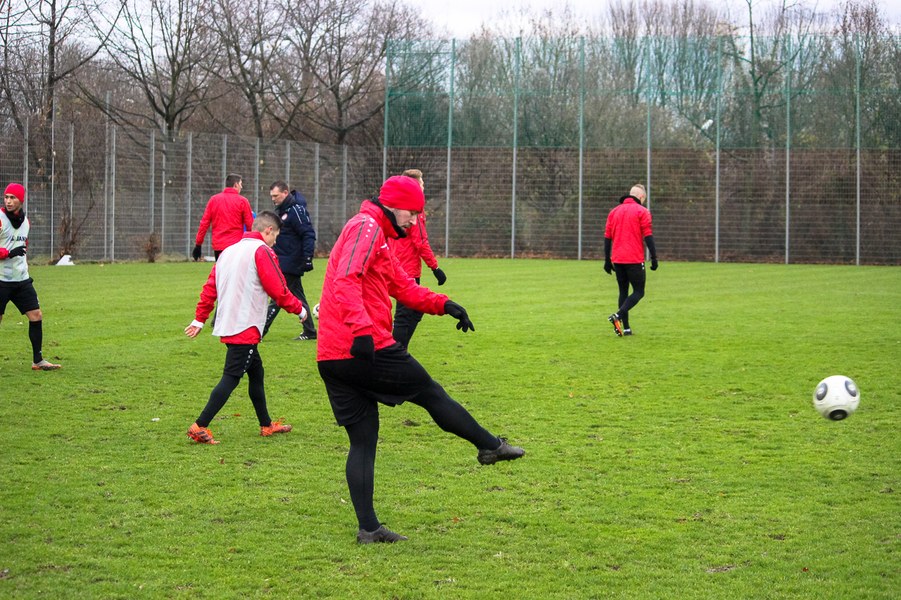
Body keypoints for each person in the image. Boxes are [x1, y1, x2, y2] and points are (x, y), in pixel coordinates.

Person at [317, 175, 524, 544]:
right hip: (364, 346)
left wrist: (444, 304)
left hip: (333, 356)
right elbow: (345, 280)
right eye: (411, 213)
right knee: (430, 392)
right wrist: (361, 330)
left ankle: (369, 529)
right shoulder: (365, 227)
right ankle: (490, 446)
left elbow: (401, 286)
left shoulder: (376, 234)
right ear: (393, 205)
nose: (414, 221)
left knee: (363, 441)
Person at [184, 211, 307, 444]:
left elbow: (210, 287)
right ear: (268, 230)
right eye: (275, 236)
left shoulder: (228, 251)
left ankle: (266, 425)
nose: (275, 242)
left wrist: (200, 319)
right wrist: (299, 309)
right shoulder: (262, 251)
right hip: (246, 325)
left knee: (256, 373)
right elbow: (278, 288)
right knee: (231, 378)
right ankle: (199, 425)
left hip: (230, 323)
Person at [0, 183, 62, 371]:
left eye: (13, 198)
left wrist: (23, 267)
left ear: (21, 200)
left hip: (21, 280)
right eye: (6, 197)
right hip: (1, 280)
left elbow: (23, 248)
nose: (8, 201)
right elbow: (11, 250)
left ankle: (38, 360)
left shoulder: (26, 222)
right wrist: (8, 253)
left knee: (36, 315)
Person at [389, 169, 446, 349]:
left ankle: (399, 349)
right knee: (405, 314)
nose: (423, 186)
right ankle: (395, 352)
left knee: (416, 309)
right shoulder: (414, 209)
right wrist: (435, 268)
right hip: (407, 268)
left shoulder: (397, 206)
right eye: (422, 183)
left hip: (398, 264)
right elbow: (420, 242)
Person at [261, 181, 317, 341]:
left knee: (278, 296)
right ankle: (310, 331)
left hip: (291, 261)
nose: (273, 199)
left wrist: (307, 258)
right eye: (272, 196)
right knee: (297, 295)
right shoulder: (282, 211)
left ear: (285, 193)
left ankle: (260, 331)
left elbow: (308, 234)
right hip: (283, 260)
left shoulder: (297, 211)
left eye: (276, 196)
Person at [603, 183, 658, 336]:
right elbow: (648, 236)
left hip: (618, 259)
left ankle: (626, 328)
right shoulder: (642, 211)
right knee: (639, 291)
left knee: (623, 292)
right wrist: (654, 257)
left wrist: (607, 260)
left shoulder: (614, 212)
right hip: (634, 259)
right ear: (641, 197)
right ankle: (618, 316)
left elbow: (607, 237)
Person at [192, 173, 254, 261]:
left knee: (220, 269)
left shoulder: (214, 200)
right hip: (235, 245)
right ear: (236, 185)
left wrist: (198, 244)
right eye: (240, 184)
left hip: (219, 246)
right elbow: (250, 225)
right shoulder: (243, 201)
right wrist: (251, 244)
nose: (241, 187)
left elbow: (204, 224)